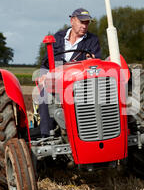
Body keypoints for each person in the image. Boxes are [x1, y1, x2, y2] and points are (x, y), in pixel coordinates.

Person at [38, 8, 102, 137]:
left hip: (81, 81)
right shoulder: (58, 37)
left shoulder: (92, 40)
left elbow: (97, 63)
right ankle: (46, 134)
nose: (84, 26)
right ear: (72, 21)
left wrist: (92, 61)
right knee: (44, 94)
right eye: (82, 22)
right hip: (59, 80)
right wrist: (43, 75)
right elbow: (46, 61)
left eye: (87, 23)